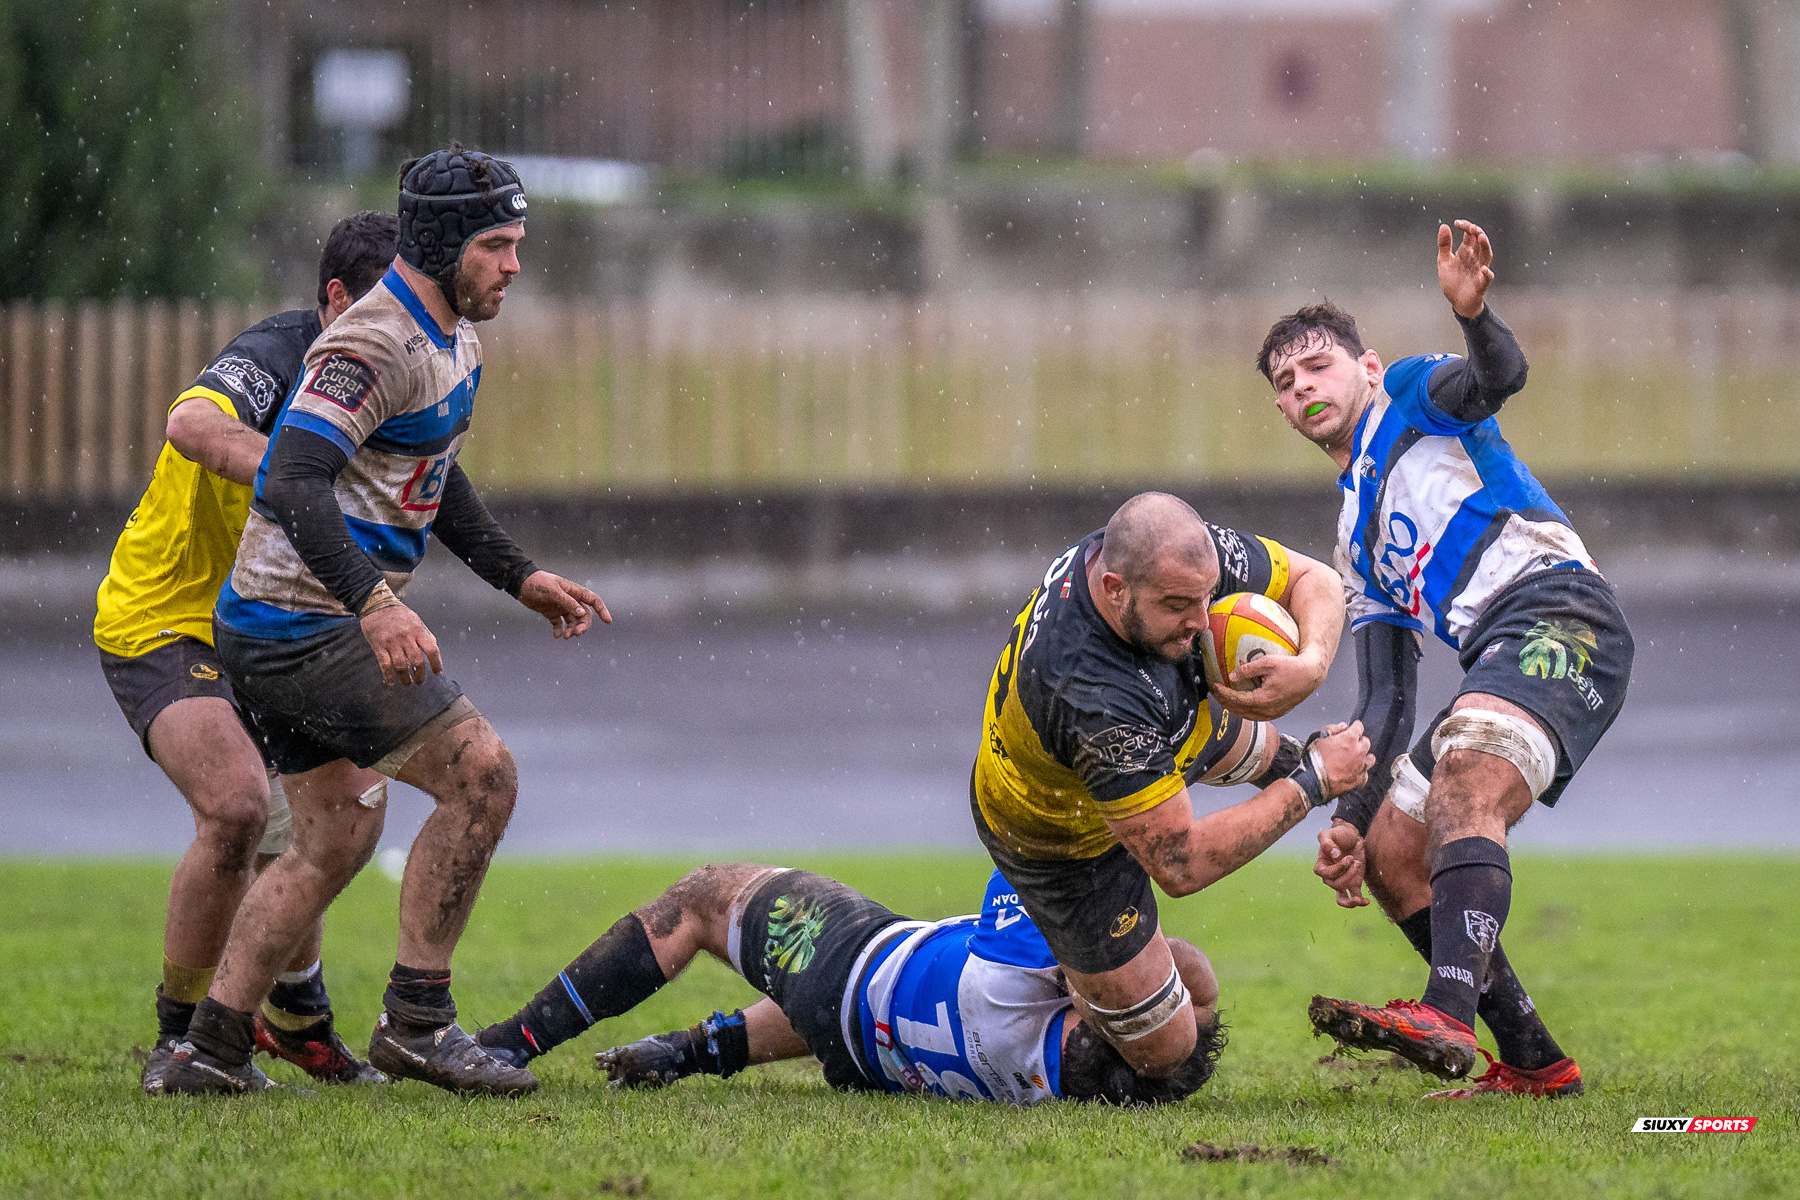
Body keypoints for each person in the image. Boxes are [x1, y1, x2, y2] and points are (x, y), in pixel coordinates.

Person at [156, 145, 608, 1097]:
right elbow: (290, 475)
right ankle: (418, 1024)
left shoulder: (452, 335)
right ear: (443, 244)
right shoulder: (373, 342)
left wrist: (518, 576)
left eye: (518, 244)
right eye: (497, 245)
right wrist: (373, 603)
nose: (514, 267)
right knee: (482, 775)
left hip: (284, 625)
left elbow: (433, 478)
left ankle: (211, 1050)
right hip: (297, 625)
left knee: (335, 840)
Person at [1259, 220, 1633, 1095]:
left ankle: (1444, 1015)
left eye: (1318, 365)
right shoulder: (1354, 542)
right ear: (1279, 409)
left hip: (1560, 609)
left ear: (1365, 365)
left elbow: (1497, 377)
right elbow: (1386, 700)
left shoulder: (1412, 394)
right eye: (1285, 381)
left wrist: (1475, 316)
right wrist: (1349, 816)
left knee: (1465, 768)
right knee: (1395, 855)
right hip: (1497, 650)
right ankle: (1537, 1063)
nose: (1304, 385)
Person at [95, 212, 399, 1093]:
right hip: (166, 619)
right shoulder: (279, 355)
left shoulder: (393, 377)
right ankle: (179, 1038)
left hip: (270, 623)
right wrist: (288, 470)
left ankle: (298, 1021)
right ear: (337, 300)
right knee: (236, 809)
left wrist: (516, 572)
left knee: (329, 818)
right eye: (388, 306)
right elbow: (191, 423)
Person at [969, 491, 1373, 1081]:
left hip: (1159, 730)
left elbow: (1316, 578)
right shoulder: (1093, 695)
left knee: (1349, 776)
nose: (1201, 619)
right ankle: (999, 973)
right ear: (1113, 588)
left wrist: (1309, 666)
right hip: (1059, 842)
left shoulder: (1176, 562)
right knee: (1170, 1053)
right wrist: (1311, 783)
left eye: (1207, 596)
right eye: (1179, 605)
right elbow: (1181, 863)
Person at [473, 864, 1227, 1105]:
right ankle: (696, 1050)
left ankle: (509, 1044)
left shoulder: (1021, 966)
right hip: (866, 1050)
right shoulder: (1060, 1078)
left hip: (850, 958)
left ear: (1103, 1010)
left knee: (701, 902)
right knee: (870, 1006)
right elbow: (1175, 996)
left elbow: (1037, 848)